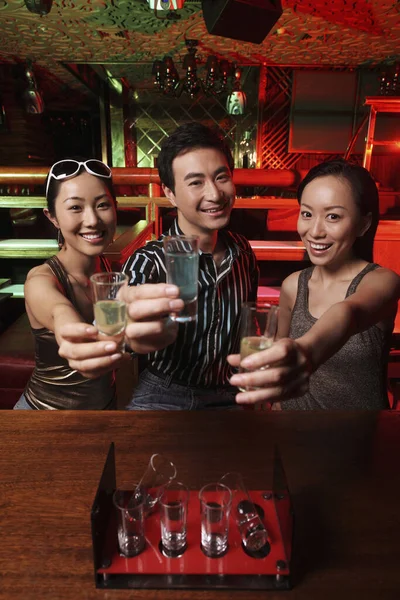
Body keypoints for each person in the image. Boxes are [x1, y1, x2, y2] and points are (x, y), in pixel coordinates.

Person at [122, 123, 307, 409]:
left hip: (231, 391)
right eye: (195, 182)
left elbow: (248, 323)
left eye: (221, 177)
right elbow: (125, 322)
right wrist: (128, 328)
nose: (215, 194)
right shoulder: (150, 260)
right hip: (165, 392)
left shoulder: (242, 250)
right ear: (170, 194)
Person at [229, 159, 400, 409]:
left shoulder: (383, 281)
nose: (315, 231)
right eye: (307, 214)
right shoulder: (292, 285)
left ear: (363, 223)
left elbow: (347, 313)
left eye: (333, 216)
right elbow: (281, 360)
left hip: (360, 440)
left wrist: (307, 352)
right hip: (291, 434)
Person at [14, 159, 183, 410]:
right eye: (75, 208)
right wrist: (75, 337)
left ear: (115, 208)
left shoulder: (110, 272)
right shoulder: (41, 280)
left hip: (103, 413)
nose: (92, 220)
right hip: (44, 418)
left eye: (102, 205)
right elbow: (60, 314)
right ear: (53, 217)